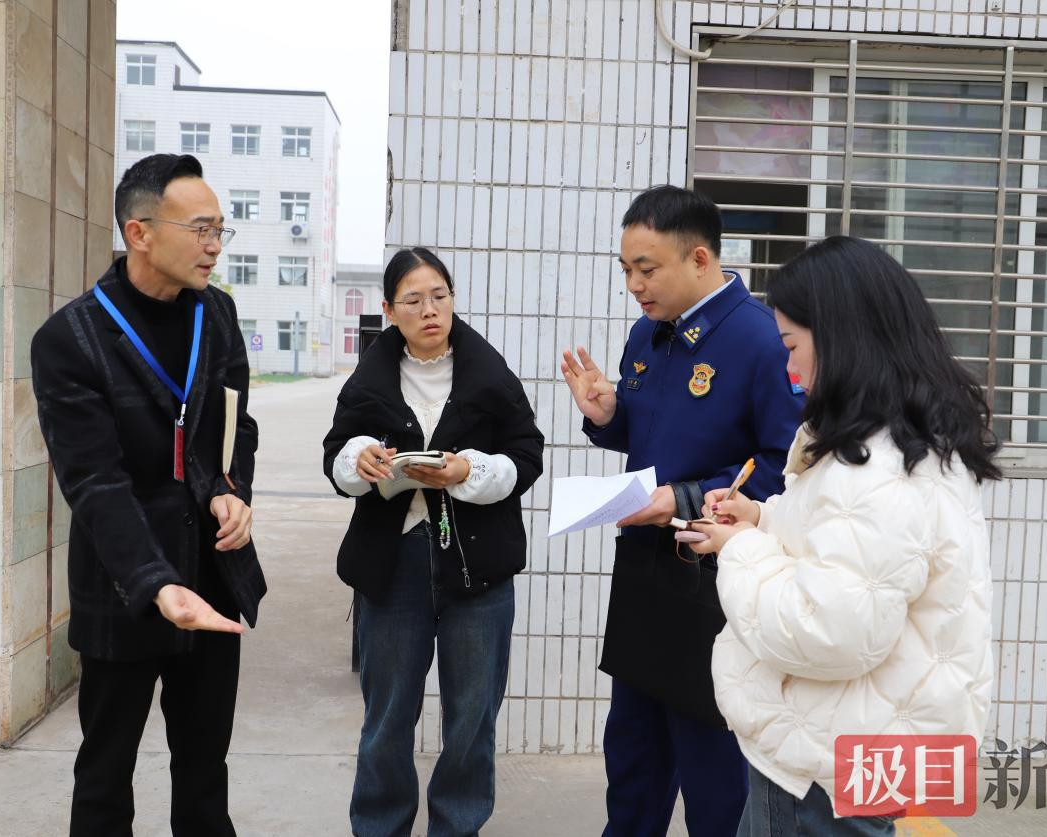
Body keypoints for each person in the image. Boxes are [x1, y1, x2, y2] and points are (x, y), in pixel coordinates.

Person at [689, 235, 1000, 835]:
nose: (790, 370)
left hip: (826, 756)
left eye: (792, 346)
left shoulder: (872, 467)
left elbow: (828, 631)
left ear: (841, 339)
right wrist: (761, 519)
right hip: (868, 733)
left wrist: (740, 549)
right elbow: (846, 549)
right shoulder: (907, 441)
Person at [31, 153, 265, 837]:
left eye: (220, 229)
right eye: (200, 229)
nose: (215, 245)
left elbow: (235, 425)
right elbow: (94, 481)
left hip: (212, 578)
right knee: (106, 777)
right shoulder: (70, 340)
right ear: (139, 232)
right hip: (124, 586)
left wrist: (230, 490)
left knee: (205, 771)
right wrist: (157, 584)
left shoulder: (216, 313)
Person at [560, 185, 805, 836]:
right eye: (626, 269)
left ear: (700, 258)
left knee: (712, 774)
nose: (634, 285)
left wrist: (688, 498)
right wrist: (609, 416)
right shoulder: (647, 334)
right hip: (644, 575)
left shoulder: (760, 340)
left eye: (647, 268)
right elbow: (655, 434)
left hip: (715, 584)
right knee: (632, 759)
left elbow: (785, 466)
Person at [323, 247, 545, 837]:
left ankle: (457, 827)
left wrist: (468, 471)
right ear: (389, 310)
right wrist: (360, 459)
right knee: (387, 718)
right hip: (391, 563)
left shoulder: (489, 374)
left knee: (472, 720)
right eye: (414, 300)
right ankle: (380, 826)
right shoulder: (370, 379)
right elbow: (336, 454)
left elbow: (527, 455)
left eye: (440, 296)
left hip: (478, 566)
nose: (430, 310)